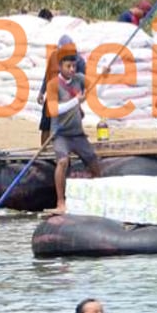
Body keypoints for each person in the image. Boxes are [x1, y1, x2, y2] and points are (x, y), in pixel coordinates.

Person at [50, 48, 101, 213]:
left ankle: (96, 197)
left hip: (77, 134)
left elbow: (93, 83)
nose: (72, 70)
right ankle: (60, 202)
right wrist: (75, 101)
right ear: (60, 67)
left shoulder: (78, 79)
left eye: (74, 66)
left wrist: (104, 74)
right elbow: (54, 110)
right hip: (61, 134)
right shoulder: (54, 85)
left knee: (93, 161)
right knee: (63, 161)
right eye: (68, 66)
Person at [37, 34, 86, 147]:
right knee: (46, 125)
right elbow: (48, 75)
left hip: (69, 97)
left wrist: (77, 101)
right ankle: (44, 152)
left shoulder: (79, 62)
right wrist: (41, 92)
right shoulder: (54, 57)